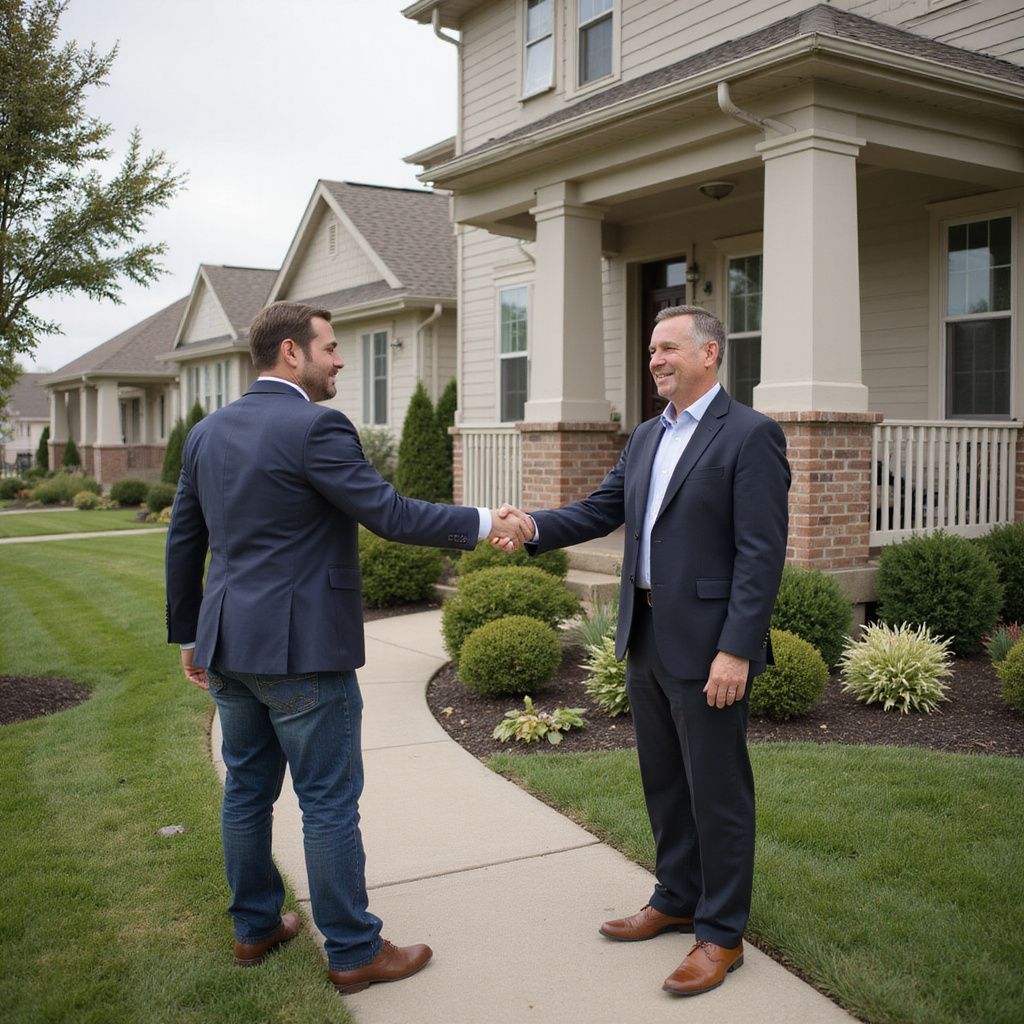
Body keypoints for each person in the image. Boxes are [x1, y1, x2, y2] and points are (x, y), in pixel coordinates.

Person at [165, 301, 531, 995]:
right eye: (331, 348)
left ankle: (255, 929)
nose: (339, 360)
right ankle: (356, 951)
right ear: (293, 354)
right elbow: (389, 514)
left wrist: (190, 632)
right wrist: (487, 520)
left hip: (229, 647)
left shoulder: (208, 433)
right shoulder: (315, 426)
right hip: (303, 652)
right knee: (328, 799)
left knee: (246, 791)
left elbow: (185, 538)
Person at [500, 305, 789, 997]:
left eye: (669, 348)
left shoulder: (750, 436)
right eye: (651, 350)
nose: (655, 359)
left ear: (710, 353)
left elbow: (760, 554)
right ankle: (677, 895)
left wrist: (736, 650)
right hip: (646, 633)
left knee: (718, 792)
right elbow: (601, 510)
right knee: (664, 781)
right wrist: (534, 523)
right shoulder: (646, 437)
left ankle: (720, 934)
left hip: (710, 645)